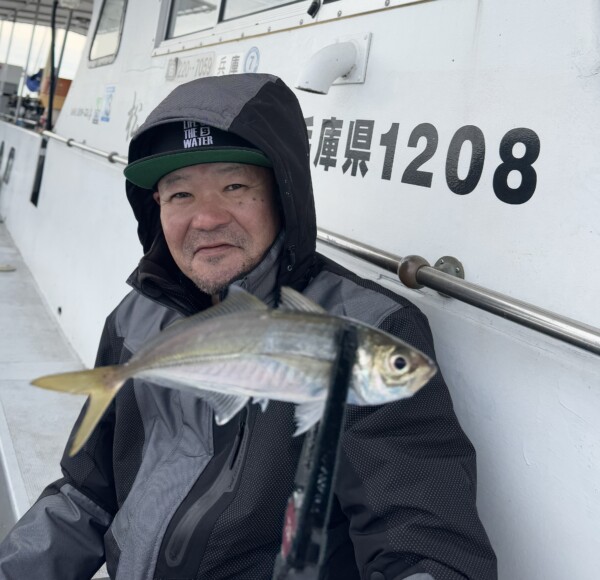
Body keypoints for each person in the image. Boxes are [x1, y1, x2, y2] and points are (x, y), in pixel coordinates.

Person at [0, 74, 497, 580]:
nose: (207, 219)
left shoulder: (369, 328)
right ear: (157, 210)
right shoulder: (135, 319)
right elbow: (86, 494)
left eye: (235, 186)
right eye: (180, 195)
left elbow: (424, 545)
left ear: (282, 193)